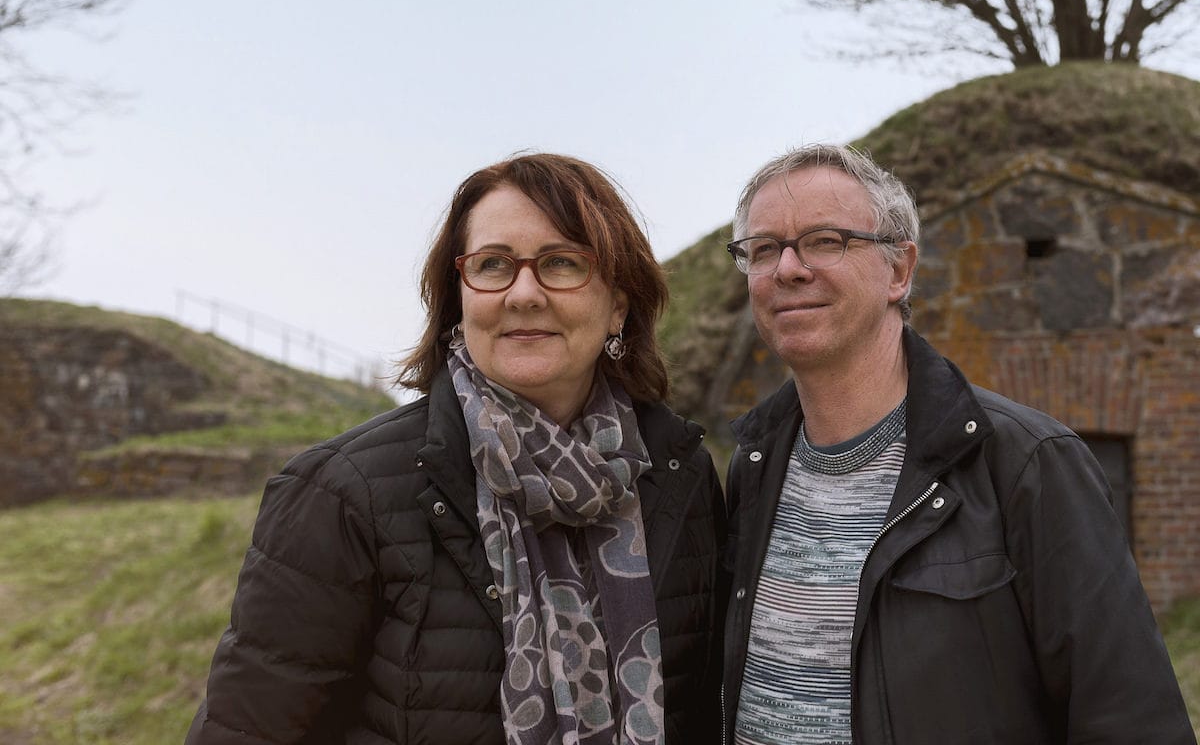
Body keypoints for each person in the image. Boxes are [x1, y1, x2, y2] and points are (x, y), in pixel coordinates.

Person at [186, 153, 726, 745]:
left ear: (618, 304)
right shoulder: (342, 492)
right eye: (493, 265)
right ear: (458, 298)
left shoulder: (680, 476)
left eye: (563, 263)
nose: (523, 293)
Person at [720, 143, 1194, 744]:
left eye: (824, 240)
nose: (788, 268)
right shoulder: (752, 467)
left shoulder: (1028, 463)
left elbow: (1132, 724)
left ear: (899, 271)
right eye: (763, 249)